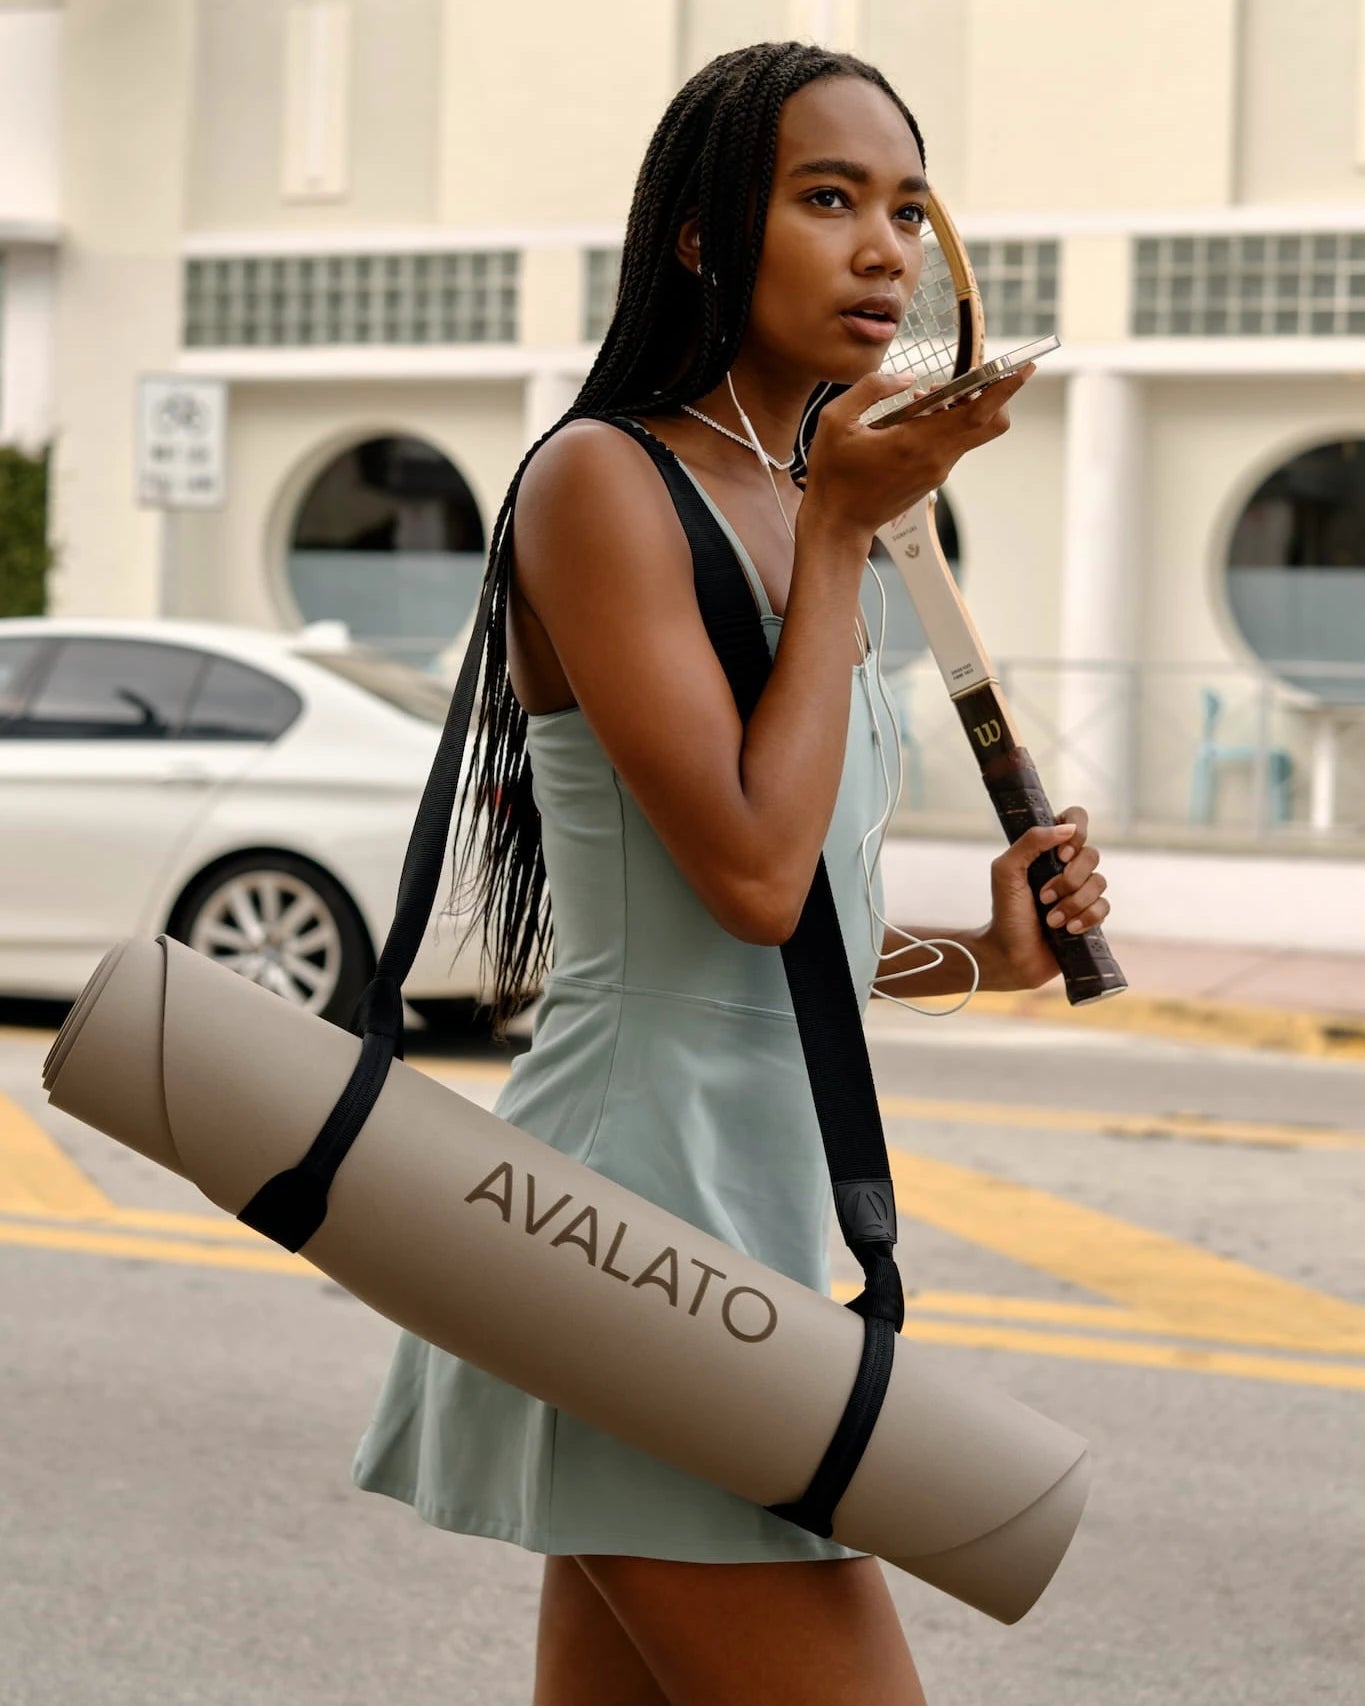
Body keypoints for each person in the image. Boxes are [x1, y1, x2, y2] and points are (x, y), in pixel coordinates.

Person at [352, 40, 1109, 1706]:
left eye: (907, 208)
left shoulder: (808, 497)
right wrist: (841, 531)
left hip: (741, 1233)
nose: (883, 250)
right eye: (825, 198)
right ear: (703, 235)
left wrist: (982, 956)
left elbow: (792, 926)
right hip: (631, 1230)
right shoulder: (605, 481)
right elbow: (752, 881)